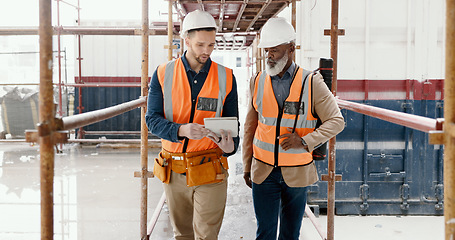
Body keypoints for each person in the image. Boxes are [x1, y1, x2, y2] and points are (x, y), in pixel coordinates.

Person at [242, 17, 345, 240]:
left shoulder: (312, 82)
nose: (269, 55)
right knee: (265, 233)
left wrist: (305, 141)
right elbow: (250, 127)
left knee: (290, 234)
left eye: (275, 50)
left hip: (297, 172)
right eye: (267, 50)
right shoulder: (257, 81)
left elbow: (337, 121)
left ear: (291, 49)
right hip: (263, 171)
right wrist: (246, 165)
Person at [145, 10, 239, 240]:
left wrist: (230, 147)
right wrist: (180, 130)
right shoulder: (162, 74)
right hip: (174, 169)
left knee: (206, 236)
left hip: (210, 167)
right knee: (183, 235)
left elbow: (233, 128)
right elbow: (152, 120)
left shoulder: (226, 77)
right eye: (200, 45)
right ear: (186, 40)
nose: (206, 51)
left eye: (211, 45)